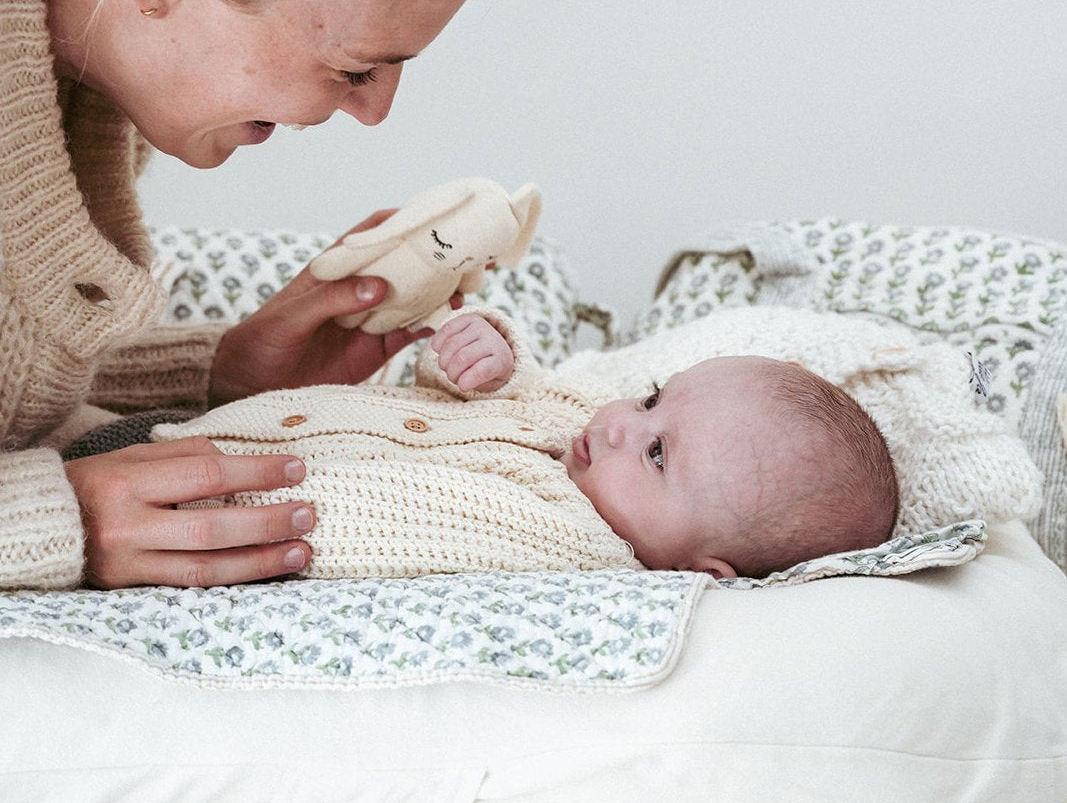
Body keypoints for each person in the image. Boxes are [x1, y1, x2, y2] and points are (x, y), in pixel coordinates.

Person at [0, 0, 527, 590]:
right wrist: (54, 519)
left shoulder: (86, 74)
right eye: (356, 66)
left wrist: (221, 375)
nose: (373, 110)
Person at [132, 309, 901, 581]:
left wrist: (234, 499)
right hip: (213, 420)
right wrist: (481, 354)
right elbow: (509, 385)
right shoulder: (582, 428)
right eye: (651, 396)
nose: (619, 422)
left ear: (700, 566)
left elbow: (383, 519)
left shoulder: (567, 539)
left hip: (185, 485)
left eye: (658, 453)